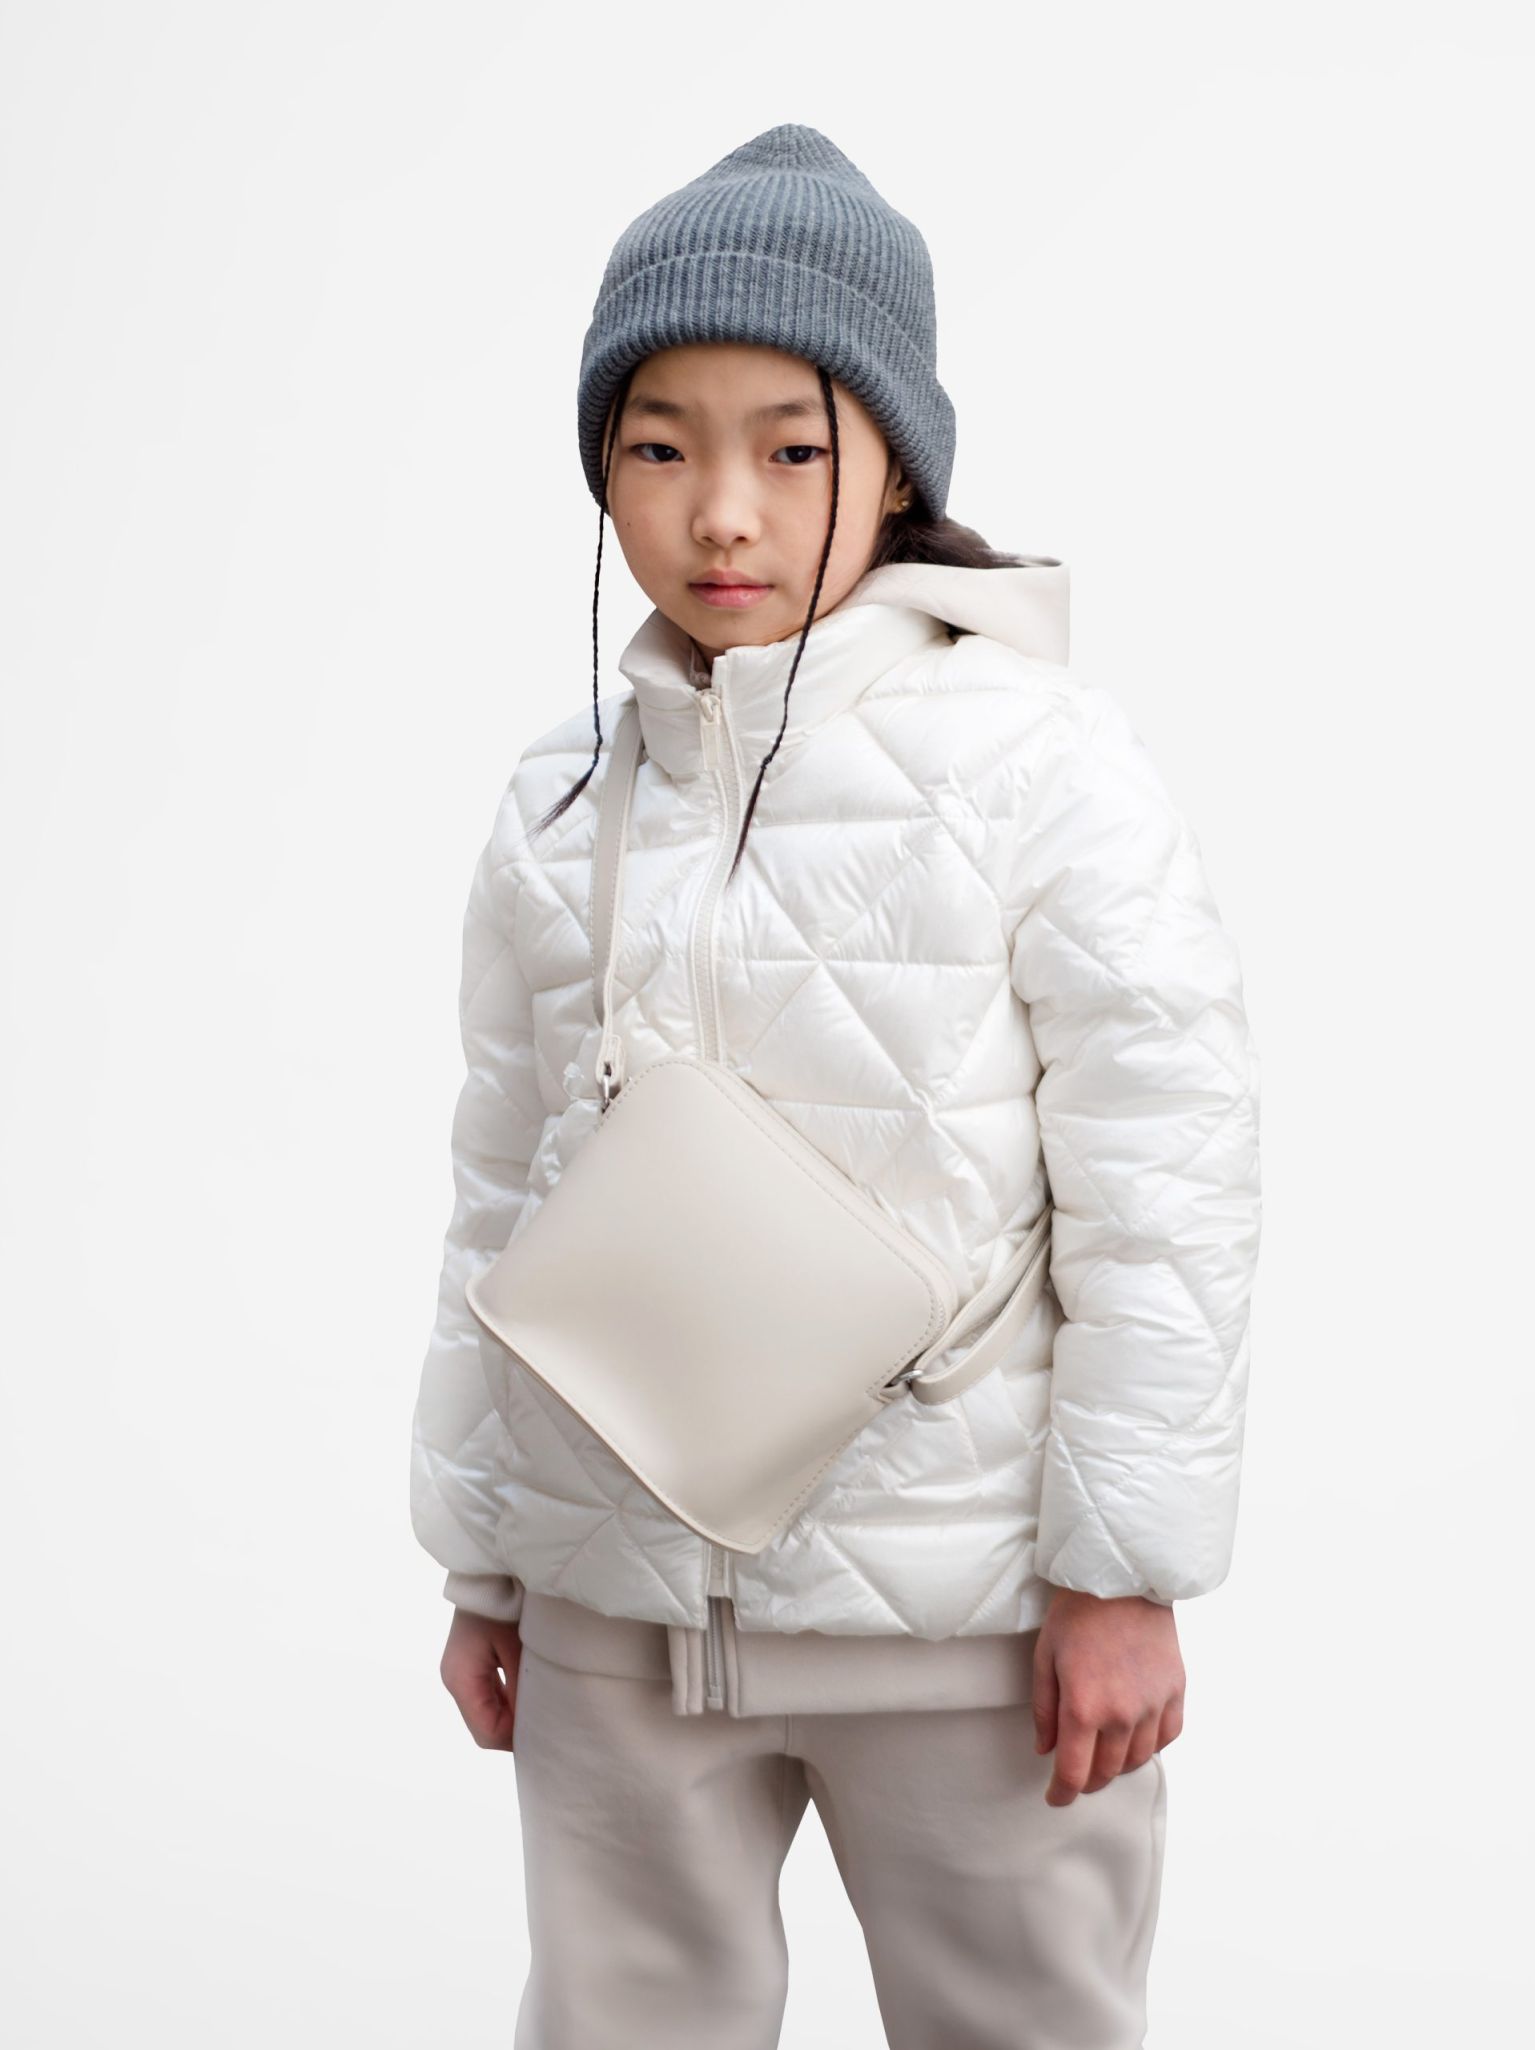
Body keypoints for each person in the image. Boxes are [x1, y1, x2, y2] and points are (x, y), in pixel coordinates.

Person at [409, 123, 1262, 2050]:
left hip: (966, 1627)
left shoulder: (1046, 765)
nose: (723, 510)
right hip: (619, 1610)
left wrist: (1123, 1572)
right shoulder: (559, 799)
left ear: (895, 463)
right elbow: (499, 1189)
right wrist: (490, 1556)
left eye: (790, 449)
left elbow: (1168, 1182)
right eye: (658, 446)